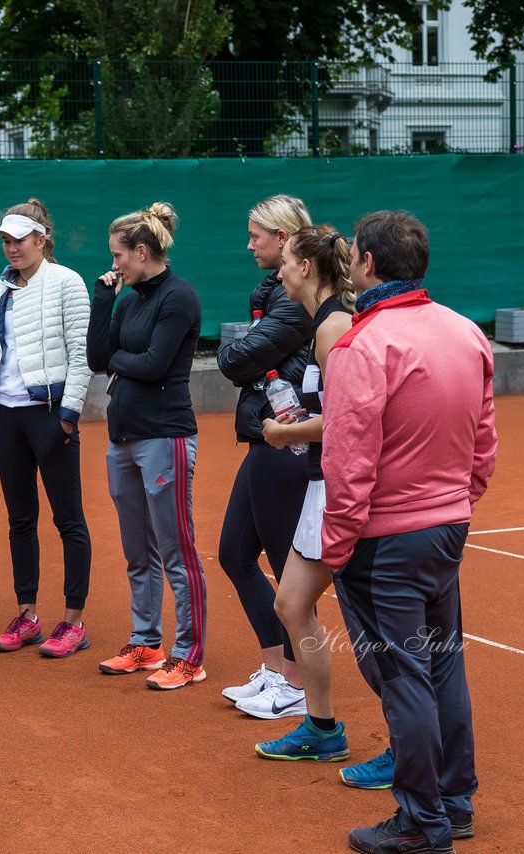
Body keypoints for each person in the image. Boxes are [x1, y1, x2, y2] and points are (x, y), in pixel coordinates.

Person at [322, 211, 497, 853]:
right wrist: (458, 503)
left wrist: (338, 547)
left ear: (367, 262)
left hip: (385, 540)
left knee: (403, 676)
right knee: (443, 665)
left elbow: (347, 459)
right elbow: (485, 443)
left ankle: (425, 824)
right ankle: (453, 805)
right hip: (445, 528)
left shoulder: (362, 345)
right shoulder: (465, 332)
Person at [87, 201, 208, 691]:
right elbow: (99, 357)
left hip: (166, 436)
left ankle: (189, 654)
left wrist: (122, 358)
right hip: (124, 439)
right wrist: (102, 301)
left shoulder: (179, 298)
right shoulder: (128, 297)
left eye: (118, 256)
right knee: (137, 551)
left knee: (176, 550)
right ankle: (146, 642)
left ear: (142, 251)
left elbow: (156, 365)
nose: (114, 265)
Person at [0, 199, 94, 659]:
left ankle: (74, 622)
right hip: (7, 415)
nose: (11, 247)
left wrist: (67, 416)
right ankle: (28, 617)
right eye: (6, 239)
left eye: (20, 239)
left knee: (68, 520)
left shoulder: (68, 282)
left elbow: (82, 355)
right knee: (20, 520)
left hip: (49, 414)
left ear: (42, 239)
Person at [248, 225, 355, 761]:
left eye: (286, 261)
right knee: (290, 604)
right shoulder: (324, 323)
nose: (279, 271)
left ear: (306, 268)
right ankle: (322, 726)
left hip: (339, 487)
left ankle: (413, 748)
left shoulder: (335, 326)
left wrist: (285, 432)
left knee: (370, 620)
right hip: (321, 484)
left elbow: (346, 420)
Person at [213, 195, 315, 718]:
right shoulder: (274, 293)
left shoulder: (296, 299)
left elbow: (234, 359)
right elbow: (242, 357)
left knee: (288, 570)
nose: (249, 244)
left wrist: (245, 350)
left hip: (288, 440)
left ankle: (298, 686)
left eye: (257, 236)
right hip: (264, 435)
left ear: (283, 239)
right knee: (233, 553)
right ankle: (276, 669)